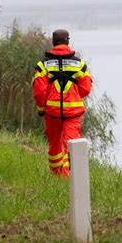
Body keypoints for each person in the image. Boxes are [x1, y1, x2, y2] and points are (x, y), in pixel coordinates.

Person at [32, 29, 92, 178]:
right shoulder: (79, 64)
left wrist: (41, 109)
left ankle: (57, 175)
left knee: (54, 146)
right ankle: (71, 178)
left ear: (53, 42)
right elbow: (85, 89)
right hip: (73, 113)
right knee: (71, 144)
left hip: (51, 113)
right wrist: (73, 95)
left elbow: (39, 91)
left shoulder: (42, 65)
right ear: (67, 41)